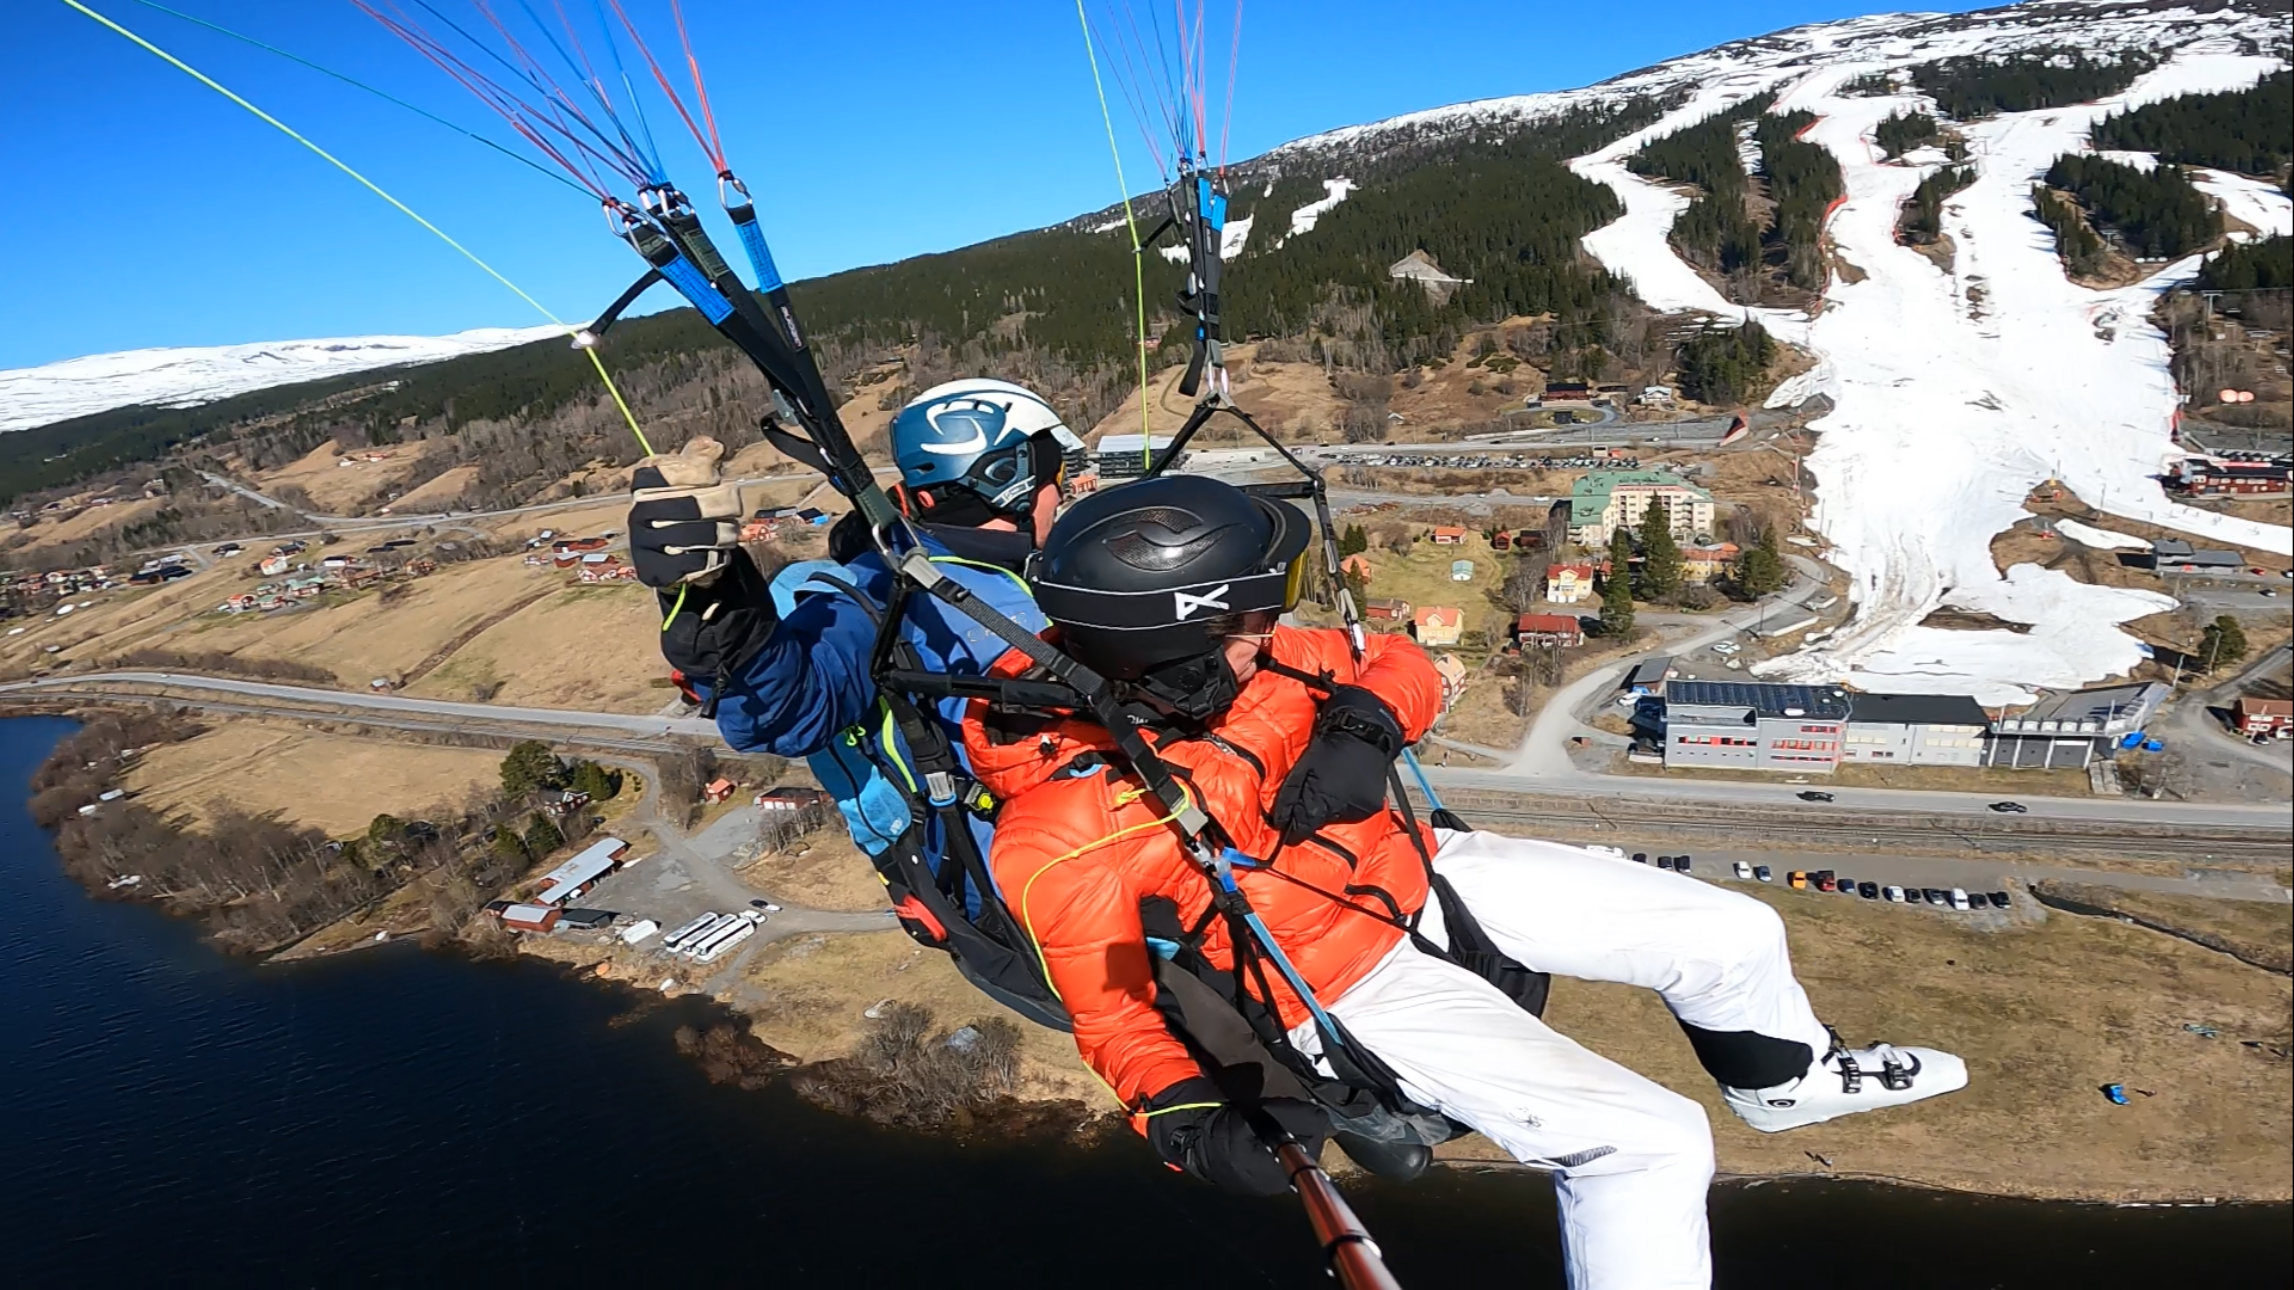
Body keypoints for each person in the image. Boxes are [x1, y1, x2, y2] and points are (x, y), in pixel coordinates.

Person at [961, 475, 1966, 1289]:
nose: (1267, 631)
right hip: (1344, 987)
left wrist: (1362, 729)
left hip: (1421, 870)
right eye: (1246, 616)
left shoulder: (1249, 663)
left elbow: (1391, 660)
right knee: (1648, 1143)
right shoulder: (1066, 824)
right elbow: (1110, 1014)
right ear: (1160, 643)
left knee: (1731, 932)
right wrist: (1182, 1118)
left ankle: (1784, 1081)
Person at [626, 379, 1078, 1013]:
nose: (1066, 491)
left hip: (1092, 870)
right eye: (1059, 473)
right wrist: (710, 596)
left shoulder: (1019, 570)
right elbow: (786, 706)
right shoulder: (874, 599)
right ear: (1010, 480)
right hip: (1038, 920)